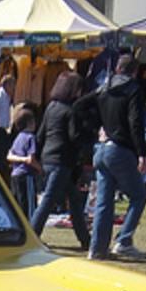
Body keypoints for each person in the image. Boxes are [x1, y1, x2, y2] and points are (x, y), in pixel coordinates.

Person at [83, 51, 146, 260]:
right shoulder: (133, 89)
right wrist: (142, 153)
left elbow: (80, 106)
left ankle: (97, 248)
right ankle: (124, 240)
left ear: (116, 69)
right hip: (120, 149)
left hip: (101, 148)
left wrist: (93, 129)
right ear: (135, 72)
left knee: (104, 202)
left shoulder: (103, 89)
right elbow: (135, 122)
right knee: (139, 196)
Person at [29, 69, 90, 248]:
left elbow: (40, 134)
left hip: (49, 157)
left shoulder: (51, 107)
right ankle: (32, 235)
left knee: (74, 200)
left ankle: (85, 239)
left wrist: (38, 156)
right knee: (49, 200)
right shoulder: (70, 111)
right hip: (61, 160)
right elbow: (74, 137)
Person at [7, 108, 40, 217]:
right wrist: (40, 169)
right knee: (29, 205)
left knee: (18, 204)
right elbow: (31, 159)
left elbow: (9, 156)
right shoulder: (30, 137)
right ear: (30, 122)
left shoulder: (18, 138)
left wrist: (20, 159)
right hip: (26, 175)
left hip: (15, 174)